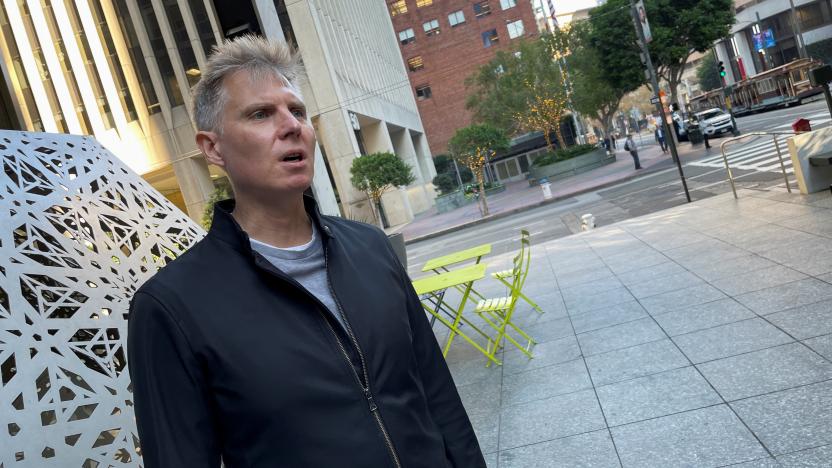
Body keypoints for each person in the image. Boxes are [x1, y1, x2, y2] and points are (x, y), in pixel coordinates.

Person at [127, 36, 485, 468]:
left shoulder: (371, 247)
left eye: (297, 111)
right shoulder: (171, 306)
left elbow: (438, 393)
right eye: (260, 114)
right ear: (213, 148)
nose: (291, 125)